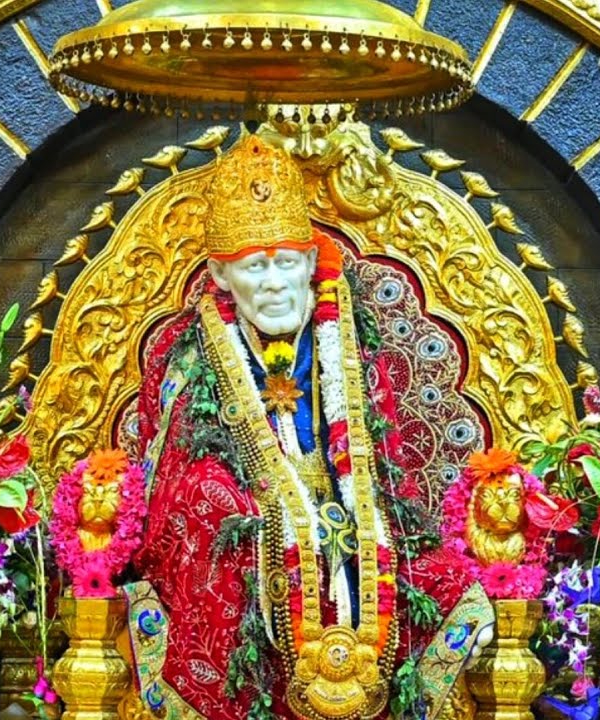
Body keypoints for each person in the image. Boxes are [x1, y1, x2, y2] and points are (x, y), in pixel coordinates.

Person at [121, 134, 494, 720]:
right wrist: (265, 514)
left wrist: (354, 519)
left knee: (443, 584)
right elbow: (178, 481)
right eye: (254, 266)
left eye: (286, 263)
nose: (274, 282)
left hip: (356, 523)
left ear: (311, 263)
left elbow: (388, 470)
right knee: (220, 527)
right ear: (221, 274)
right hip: (249, 531)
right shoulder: (188, 353)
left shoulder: (351, 341)